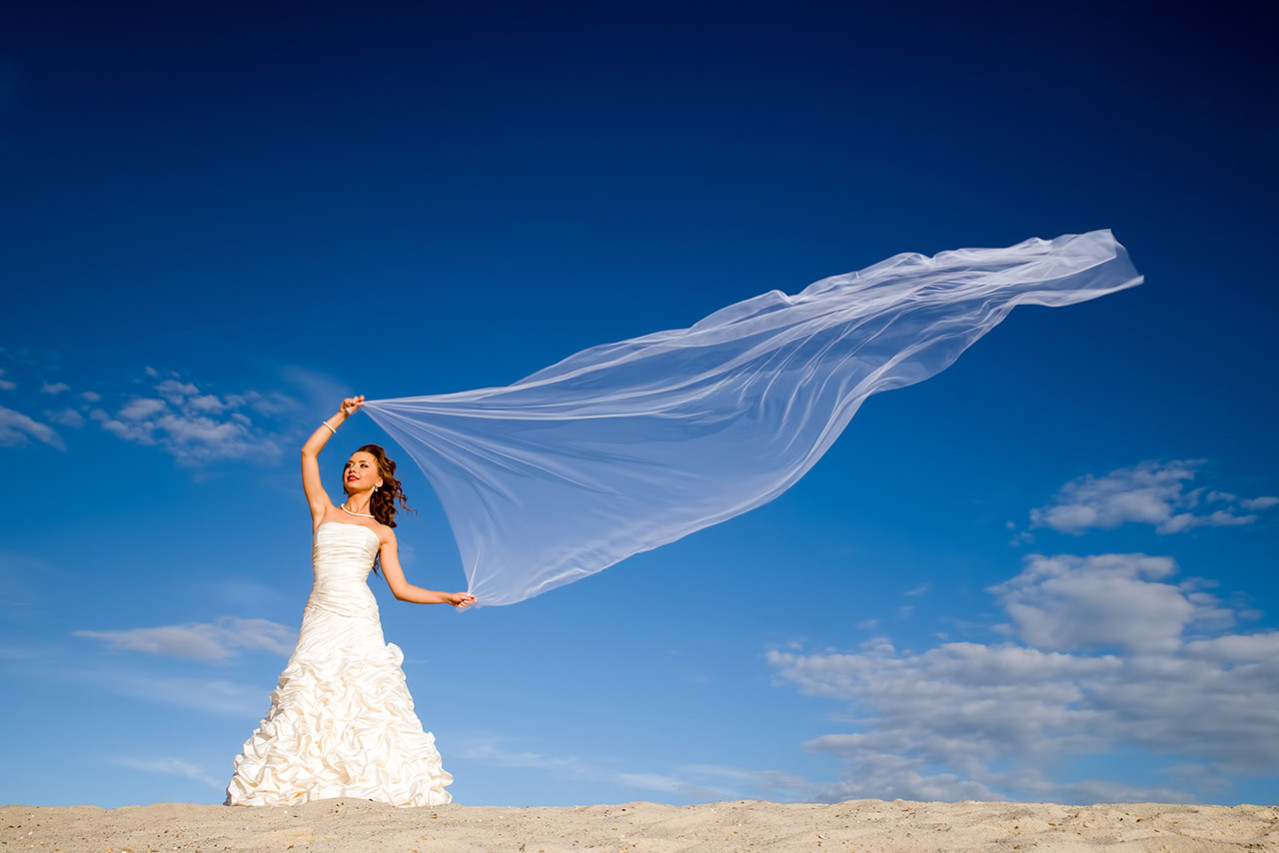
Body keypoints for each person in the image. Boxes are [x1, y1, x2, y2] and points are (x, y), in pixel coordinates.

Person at [225, 395, 474, 807]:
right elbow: (308, 452)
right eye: (349, 464)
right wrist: (341, 416)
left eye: (363, 465)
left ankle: (371, 788)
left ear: (378, 479)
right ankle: (297, 787)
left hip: (358, 614)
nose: (352, 469)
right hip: (320, 613)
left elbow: (400, 588)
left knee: (365, 695)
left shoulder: (382, 532)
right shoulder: (323, 510)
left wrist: (446, 597)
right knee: (308, 691)